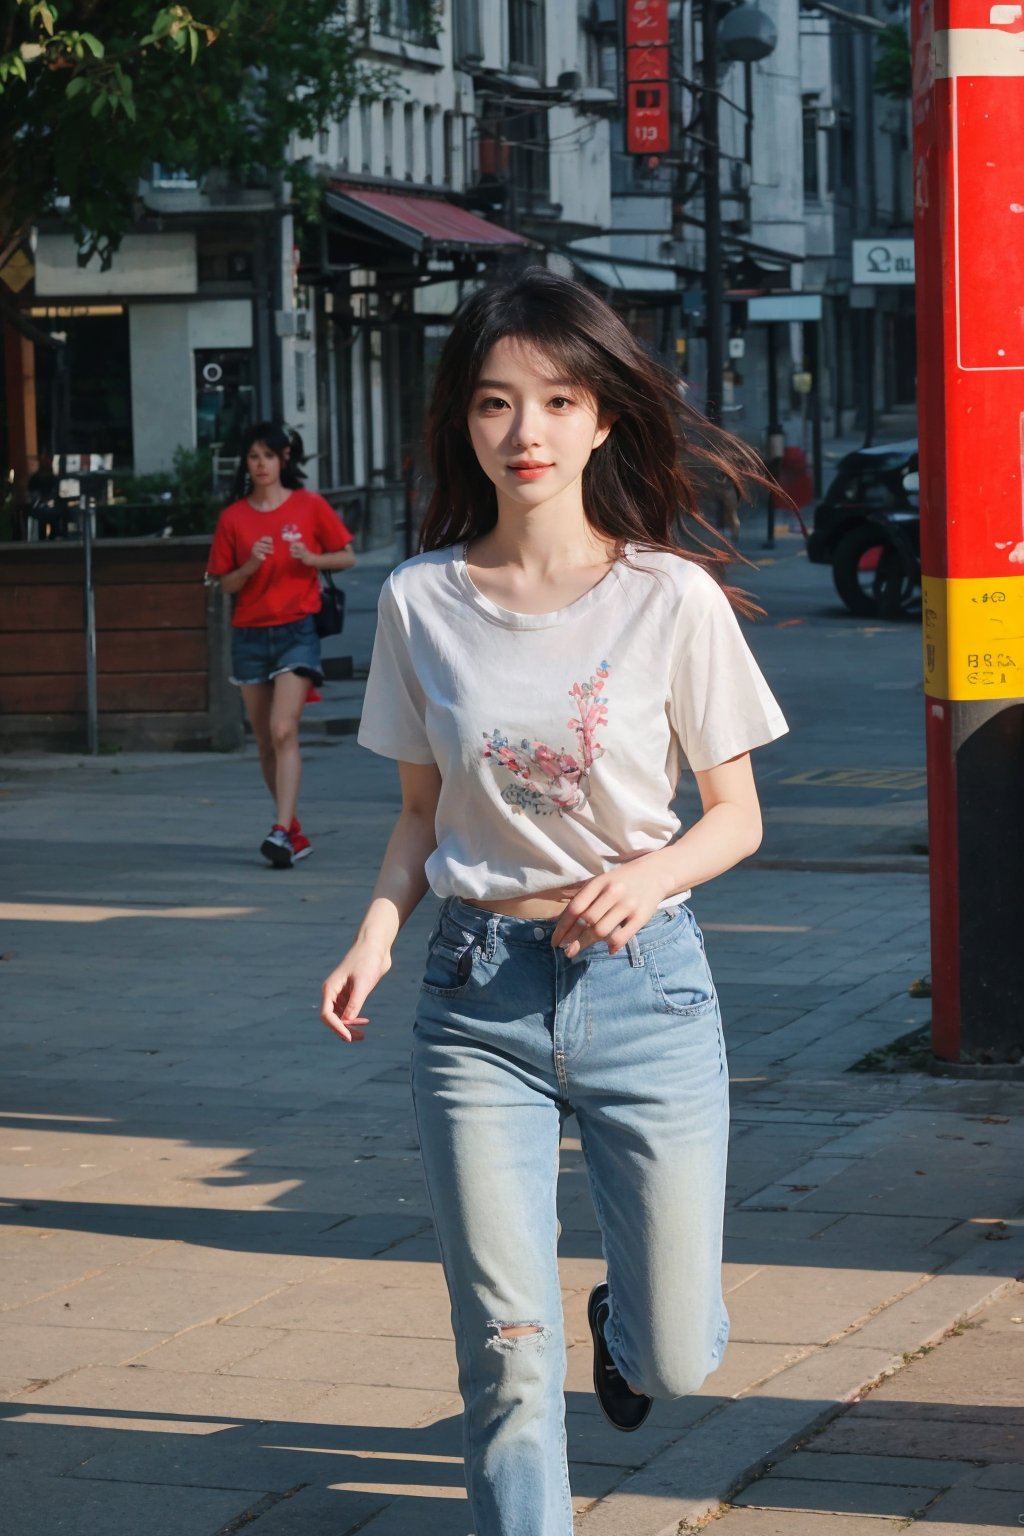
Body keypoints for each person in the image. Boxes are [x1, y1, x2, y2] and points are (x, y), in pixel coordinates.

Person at [319, 270, 788, 1536]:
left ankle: (624, 1330)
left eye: (556, 400)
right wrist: (374, 933)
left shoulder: (668, 598)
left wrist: (647, 874)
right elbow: (419, 817)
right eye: (492, 403)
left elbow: (736, 816)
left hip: (650, 994)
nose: (523, 431)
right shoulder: (420, 602)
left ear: (601, 420)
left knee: (681, 1354)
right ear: (462, 424)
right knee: (505, 1351)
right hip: (475, 999)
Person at [206, 422, 355, 867]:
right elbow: (222, 584)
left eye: (268, 456)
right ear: (246, 464)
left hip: (297, 630)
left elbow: (347, 555)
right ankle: (291, 831)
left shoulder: (309, 506)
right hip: (249, 634)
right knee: (266, 743)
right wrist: (251, 564)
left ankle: (278, 830)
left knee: (282, 729)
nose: (261, 465)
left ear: (283, 459)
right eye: (253, 457)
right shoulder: (233, 518)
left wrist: (312, 559)